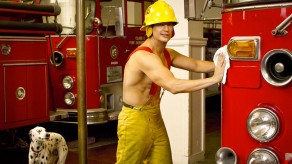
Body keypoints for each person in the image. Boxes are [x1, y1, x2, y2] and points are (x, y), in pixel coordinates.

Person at [116, 0, 226, 163]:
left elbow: (196, 64)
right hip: (134, 119)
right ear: (150, 28)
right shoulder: (144, 57)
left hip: (155, 116)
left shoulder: (167, 53)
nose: (166, 29)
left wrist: (225, 64)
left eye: (170, 24)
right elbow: (173, 86)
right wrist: (215, 78)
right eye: (160, 24)